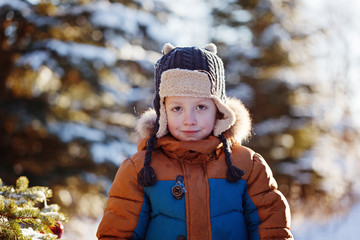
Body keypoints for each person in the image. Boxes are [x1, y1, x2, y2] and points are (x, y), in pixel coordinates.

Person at [96, 43, 293, 240]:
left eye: (201, 107)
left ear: (218, 109)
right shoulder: (139, 169)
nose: (189, 120)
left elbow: (271, 229)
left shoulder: (247, 165)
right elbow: (117, 233)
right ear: (163, 112)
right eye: (177, 108)